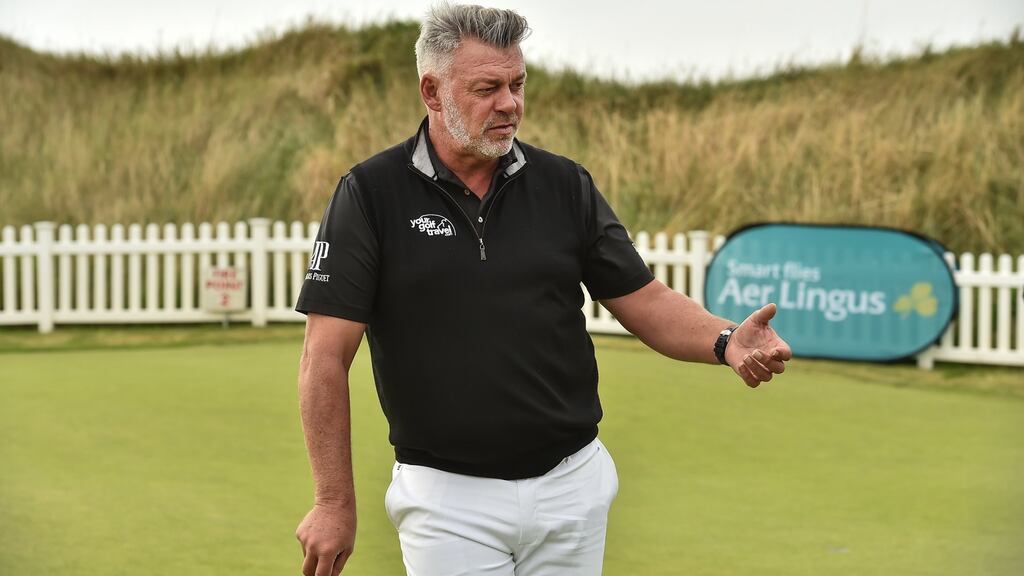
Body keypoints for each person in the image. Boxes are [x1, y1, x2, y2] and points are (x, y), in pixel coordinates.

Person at [293, 4, 792, 575]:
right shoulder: (370, 194)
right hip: (448, 499)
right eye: (488, 88)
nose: (510, 103)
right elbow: (324, 357)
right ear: (432, 92)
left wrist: (726, 339)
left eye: (518, 84)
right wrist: (333, 502)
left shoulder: (564, 184)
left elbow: (646, 299)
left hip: (571, 487)